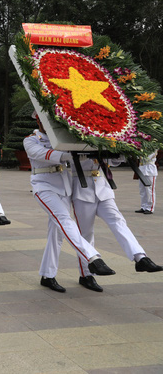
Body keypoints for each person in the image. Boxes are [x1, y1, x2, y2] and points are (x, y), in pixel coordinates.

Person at [23, 112, 116, 292]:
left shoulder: (63, 138)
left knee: (56, 232)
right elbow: (46, 154)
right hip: (44, 186)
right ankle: (92, 258)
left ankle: (48, 275)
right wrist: (76, 155)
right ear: (37, 120)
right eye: (44, 120)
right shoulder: (31, 140)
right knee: (64, 220)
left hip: (65, 187)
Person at [72, 154, 162, 292]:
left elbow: (112, 161)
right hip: (81, 187)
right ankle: (86, 275)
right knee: (86, 233)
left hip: (102, 187)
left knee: (118, 221)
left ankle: (140, 258)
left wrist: (119, 153)